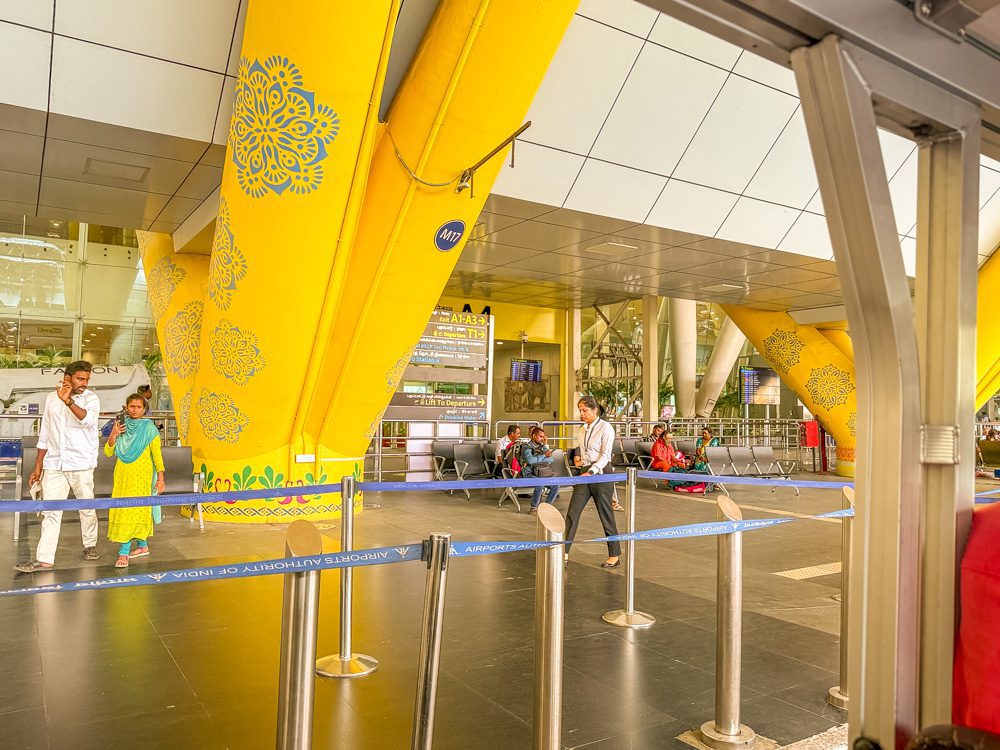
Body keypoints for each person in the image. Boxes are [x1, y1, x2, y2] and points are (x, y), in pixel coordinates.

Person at [15, 361, 100, 573]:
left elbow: (88, 421)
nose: (84, 383)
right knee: (51, 510)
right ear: (68, 377)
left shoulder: (91, 398)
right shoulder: (51, 398)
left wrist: (69, 401)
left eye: (87, 379)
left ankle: (90, 545)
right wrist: (38, 466)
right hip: (54, 463)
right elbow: (45, 433)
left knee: (86, 507)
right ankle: (45, 559)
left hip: (81, 463)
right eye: (80, 378)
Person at [106, 393, 165, 568]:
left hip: (142, 475)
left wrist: (160, 478)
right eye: (132, 406)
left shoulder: (149, 428)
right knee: (125, 509)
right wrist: (114, 434)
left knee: (136, 509)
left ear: (144, 409)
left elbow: (157, 456)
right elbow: (108, 452)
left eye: (139, 407)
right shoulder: (120, 426)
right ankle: (142, 545)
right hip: (123, 475)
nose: (135, 410)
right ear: (126, 407)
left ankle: (123, 553)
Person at [565, 396, 621, 569]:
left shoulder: (606, 428)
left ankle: (614, 555)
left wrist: (592, 471)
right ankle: (564, 552)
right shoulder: (582, 430)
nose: (581, 414)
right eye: (580, 410)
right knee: (572, 512)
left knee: (605, 513)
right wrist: (583, 467)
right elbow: (583, 453)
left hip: (601, 474)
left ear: (594, 410)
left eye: (584, 410)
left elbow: (605, 455)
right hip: (585, 473)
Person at [522, 427, 559, 514]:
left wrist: (538, 459)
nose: (542, 439)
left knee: (556, 484)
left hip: (540, 473)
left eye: (543, 437)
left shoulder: (542, 447)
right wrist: (543, 457)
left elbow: (551, 459)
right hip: (529, 474)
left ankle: (547, 506)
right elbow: (530, 460)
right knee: (540, 482)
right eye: (540, 436)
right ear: (534, 436)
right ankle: (534, 507)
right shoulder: (526, 448)